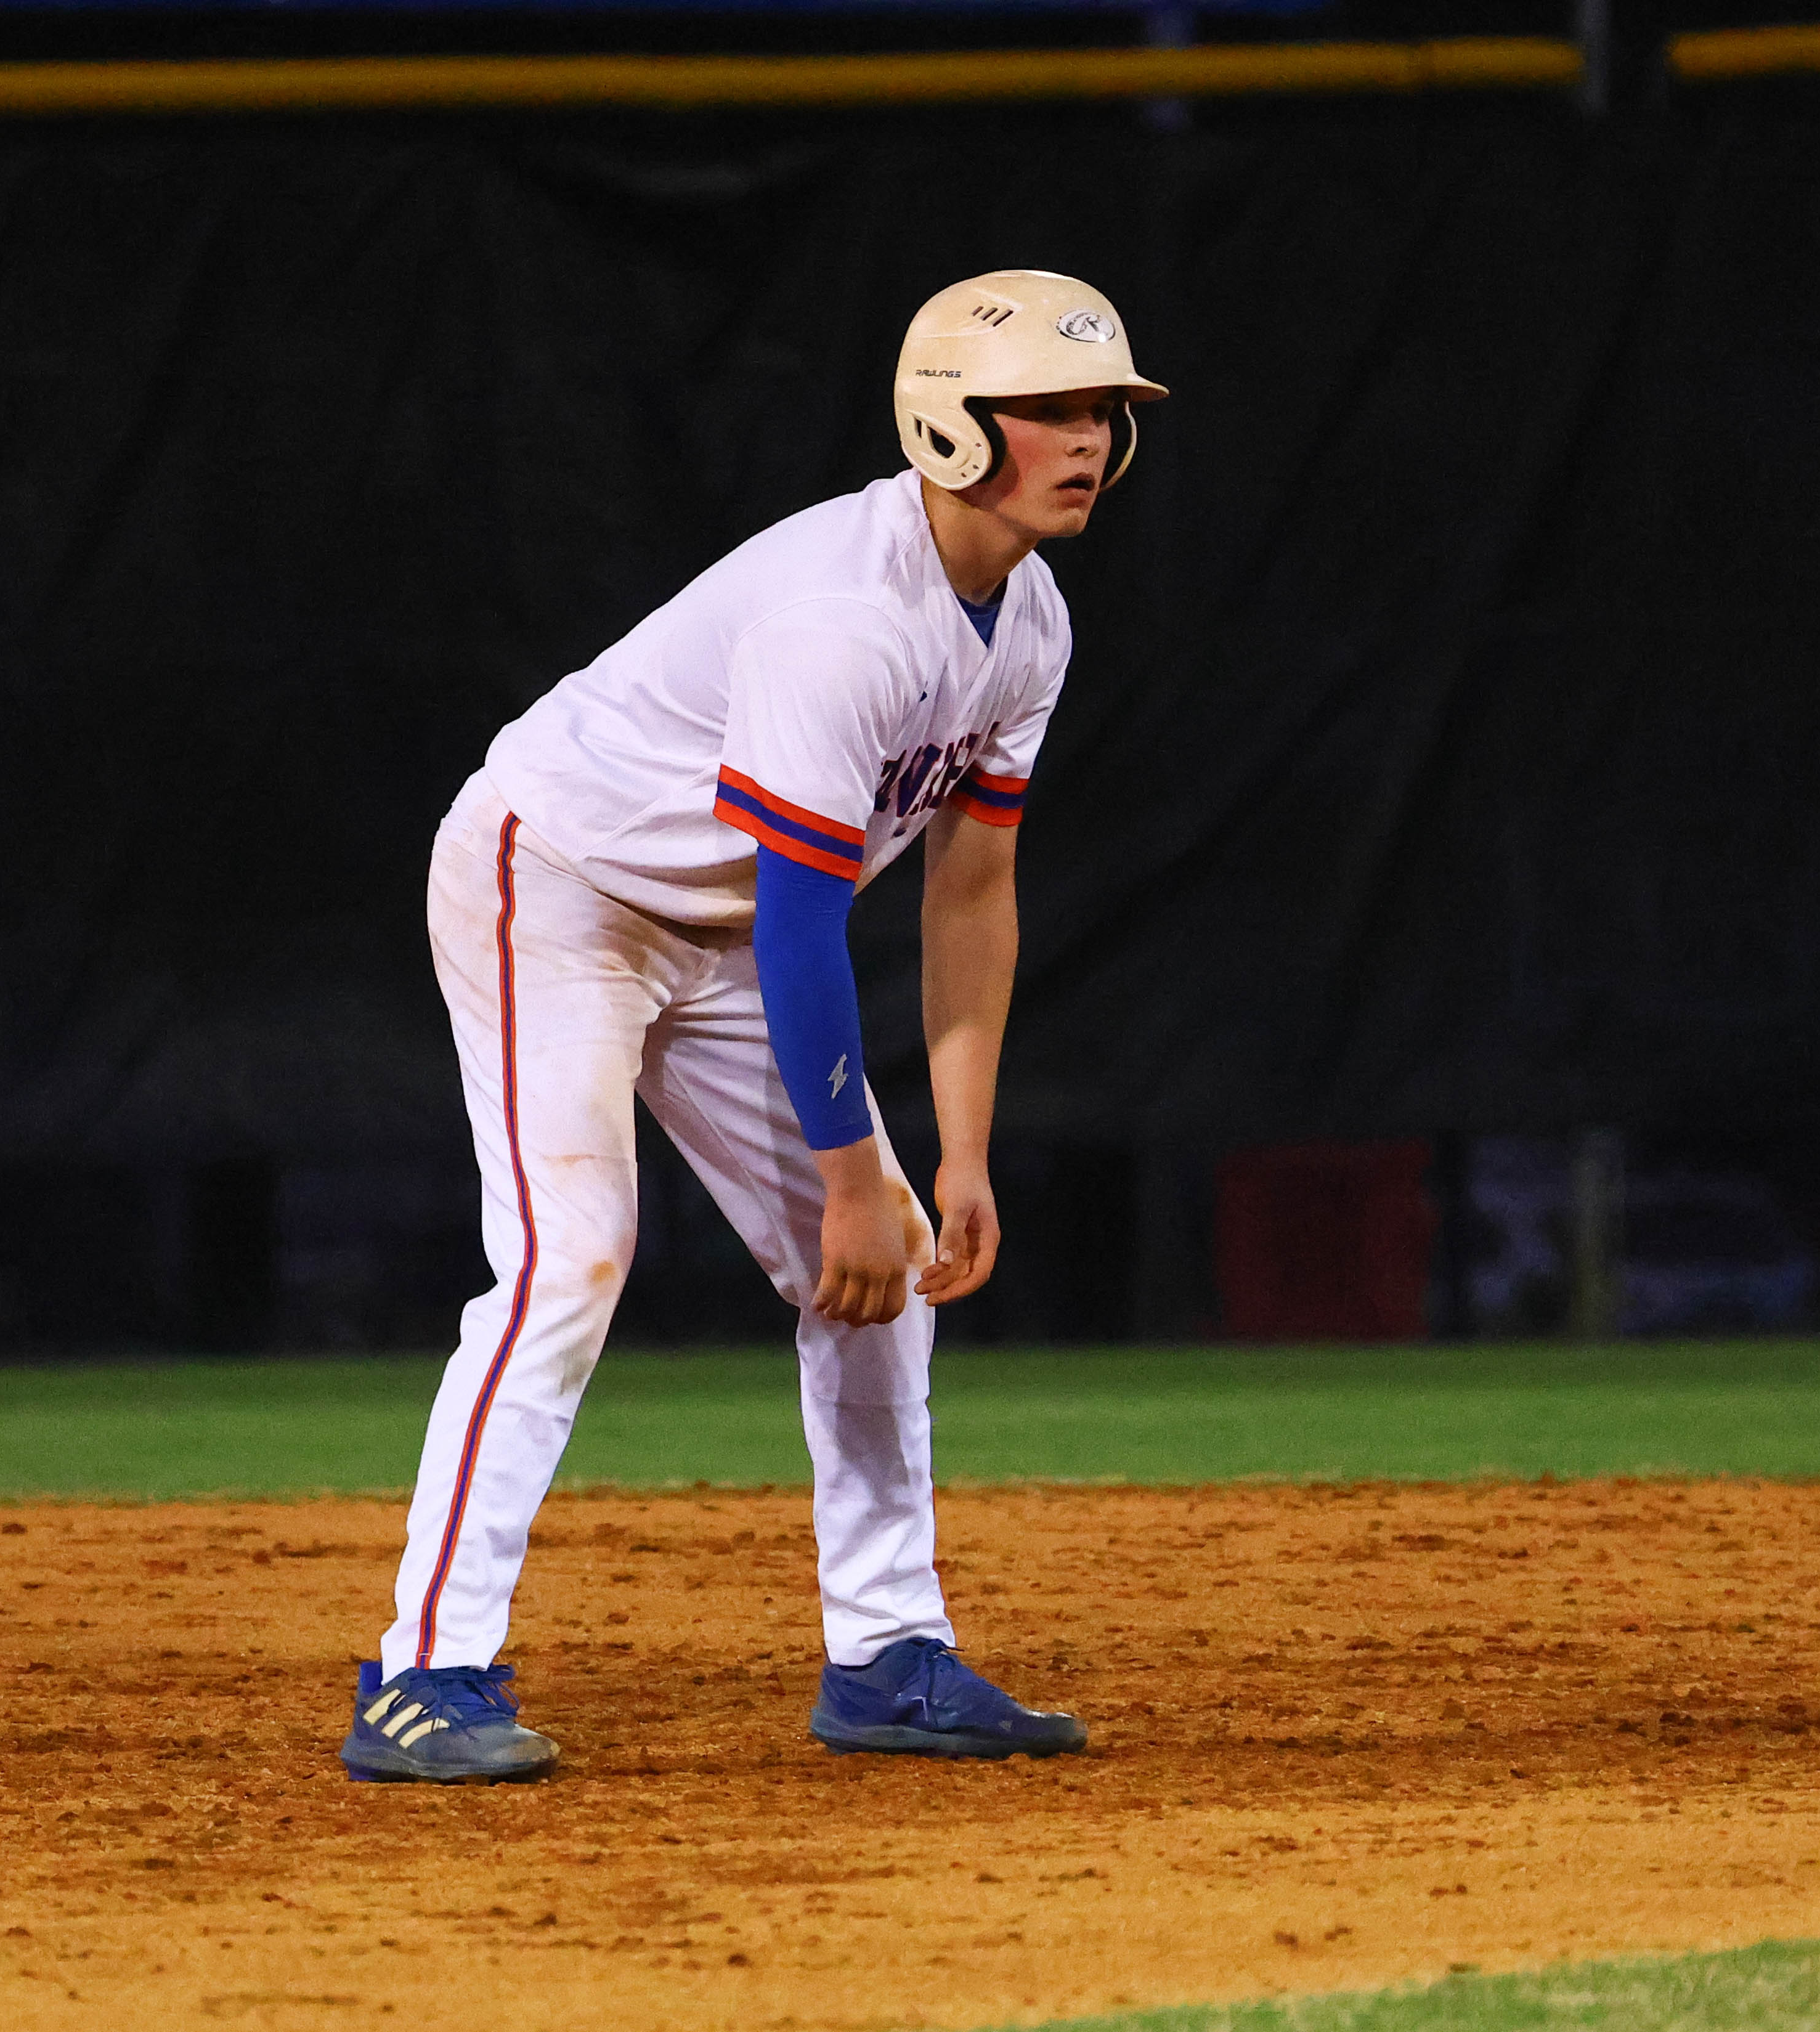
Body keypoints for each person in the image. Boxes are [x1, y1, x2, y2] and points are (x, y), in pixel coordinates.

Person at [342, 270, 1168, 1783]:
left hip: (721, 933)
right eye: (1051, 408)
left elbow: (969, 896)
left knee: (890, 1269)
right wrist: (852, 1171)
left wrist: (951, 1158)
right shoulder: (843, 619)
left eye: (1106, 409)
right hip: (563, 885)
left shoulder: (1029, 622)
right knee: (569, 1255)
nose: (1090, 437)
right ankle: (421, 1668)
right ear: (949, 427)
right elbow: (804, 918)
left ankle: (886, 1651)